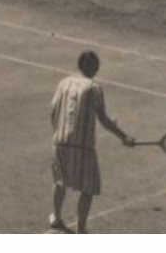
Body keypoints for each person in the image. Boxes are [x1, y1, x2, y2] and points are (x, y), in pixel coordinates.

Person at [48, 50, 134, 234]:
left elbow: (53, 110)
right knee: (88, 187)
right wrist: (123, 136)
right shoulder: (95, 87)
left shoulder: (63, 82)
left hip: (59, 142)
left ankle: (56, 217)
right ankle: (81, 228)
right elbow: (102, 119)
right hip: (82, 146)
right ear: (93, 67)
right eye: (96, 64)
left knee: (60, 181)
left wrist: (59, 134)